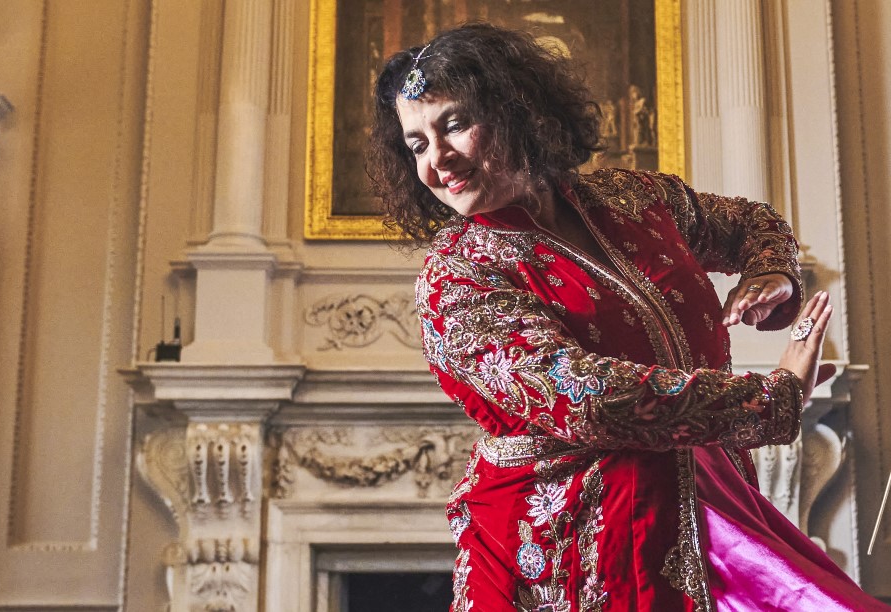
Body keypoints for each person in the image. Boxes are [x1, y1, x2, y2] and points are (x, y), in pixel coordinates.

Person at [366, 23, 890, 611]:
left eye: (455, 124)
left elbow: (752, 221)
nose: (438, 158)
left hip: (708, 498)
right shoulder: (456, 277)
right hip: (572, 541)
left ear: (518, 110)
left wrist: (769, 273)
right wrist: (770, 400)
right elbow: (583, 394)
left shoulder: (633, 200)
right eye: (416, 144)